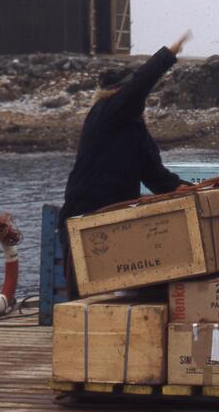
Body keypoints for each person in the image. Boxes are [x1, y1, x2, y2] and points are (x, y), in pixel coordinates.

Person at [59, 31, 193, 291]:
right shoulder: (106, 112)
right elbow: (139, 87)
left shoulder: (133, 127)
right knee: (84, 301)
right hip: (84, 218)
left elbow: (155, 175)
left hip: (114, 219)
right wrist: (168, 55)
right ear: (116, 93)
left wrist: (184, 189)